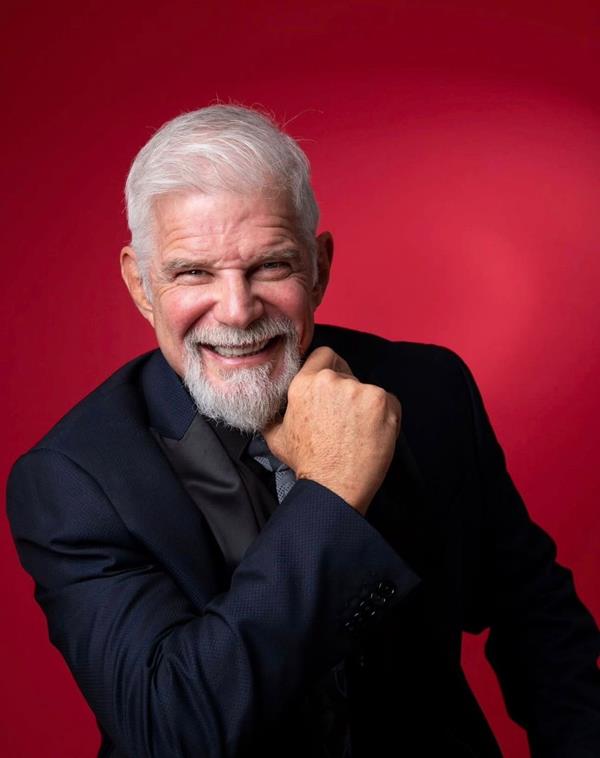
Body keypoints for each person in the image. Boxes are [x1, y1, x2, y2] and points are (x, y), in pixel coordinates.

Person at [7, 104, 600, 758]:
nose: (237, 311)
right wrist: (332, 489)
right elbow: (173, 729)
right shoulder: (72, 480)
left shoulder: (431, 388)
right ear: (141, 284)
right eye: (194, 272)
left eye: (270, 266)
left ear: (319, 266)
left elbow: (536, 617)